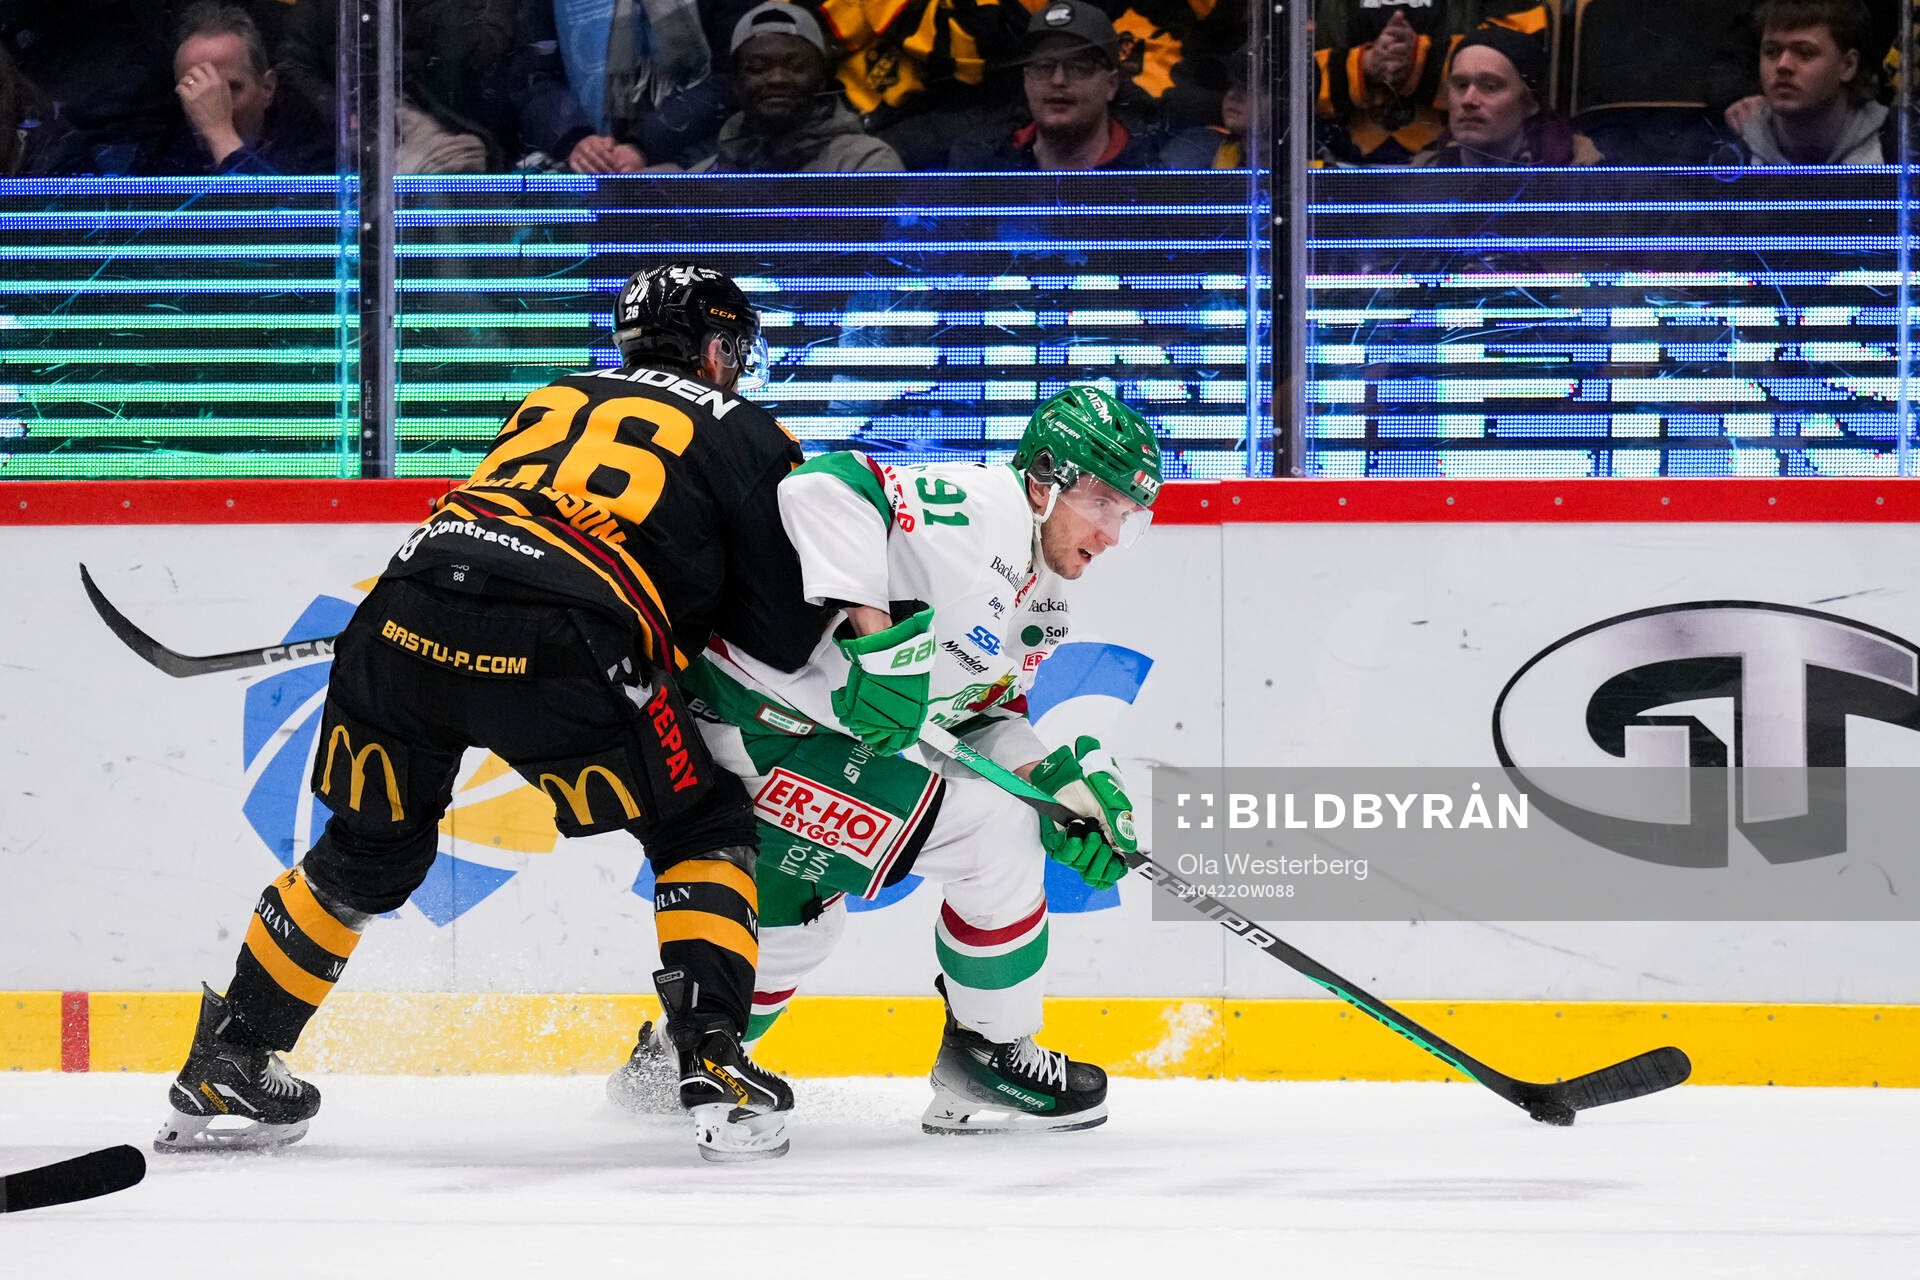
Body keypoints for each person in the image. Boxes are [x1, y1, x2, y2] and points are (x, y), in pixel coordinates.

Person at [154, 264, 830, 1163]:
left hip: (403, 610)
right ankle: (709, 1061)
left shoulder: (554, 396)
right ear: (714, 349)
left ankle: (230, 1057)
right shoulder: (749, 429)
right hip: (568, 639)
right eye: (733, 349)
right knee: (701, 825)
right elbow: (781, 632)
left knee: (367, 851)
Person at [609, 385, 1161, 1134]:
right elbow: (825, 485)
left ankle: (674, 1065)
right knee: (994, 833)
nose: (1111, 534)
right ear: (1043, 478)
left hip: (789, 740)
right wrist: (881, 644)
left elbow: (977, 717)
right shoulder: (984, 511)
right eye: (1102, 504)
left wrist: (1051, 785)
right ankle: (989, 1052)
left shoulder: (1041, 594)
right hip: (752, 723)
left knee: (799, 921)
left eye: (1128, 516)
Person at [660, 2, 902, 172]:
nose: (777, 79)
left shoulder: (865, 162)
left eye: (796, 67)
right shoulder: (707, 177)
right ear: (736, 84)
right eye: (757, 68)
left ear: (821, 78)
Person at [1312, 0, 1552, 166]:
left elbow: (1525, 50)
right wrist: (1361, 66)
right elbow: (1290, 59)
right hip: (1328, 163)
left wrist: (1418, 63)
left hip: (1460, 165)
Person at [948, 0, 1159, 170]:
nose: (1058, 80)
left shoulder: (1151, 168)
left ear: (1111, 84)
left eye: (1079, 67)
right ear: (1025, 80)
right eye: (1043, 66)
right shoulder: (981, 163)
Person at [157, 2, 330, 175]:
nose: (214, 102)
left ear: (267, 87)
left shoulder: (311, 145)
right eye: (195, 87)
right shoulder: (164, 149)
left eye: (232, 87)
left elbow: (268, 194)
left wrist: (221, 134)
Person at [1723, 0, 1890, 164]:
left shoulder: (1898, 148)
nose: (1783, 65)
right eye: (1771, 52)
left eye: (1805, 53)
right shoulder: (1730, 161)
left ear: (1848, 65)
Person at [1412, 28, 1600, 167]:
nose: (1468, 100)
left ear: (1530, 103)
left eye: (1490, 87)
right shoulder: (1420, 174)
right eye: (1461, 85)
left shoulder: (1581, 176)